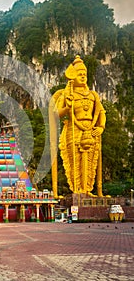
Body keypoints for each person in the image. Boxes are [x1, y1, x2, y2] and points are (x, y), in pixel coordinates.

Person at [51, 55, 106, 196]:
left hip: (91, 129)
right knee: (74, 161)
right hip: (73, 129)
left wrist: (100, 127)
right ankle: (77, 190)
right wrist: (67, 107)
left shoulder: (93, 95)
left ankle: (87, 189)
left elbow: (101, 112)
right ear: (72, 76)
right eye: (79, 74)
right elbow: (56, 113)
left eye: (84, 74)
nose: (82, 76)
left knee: (91, 161)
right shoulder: (66, 94)